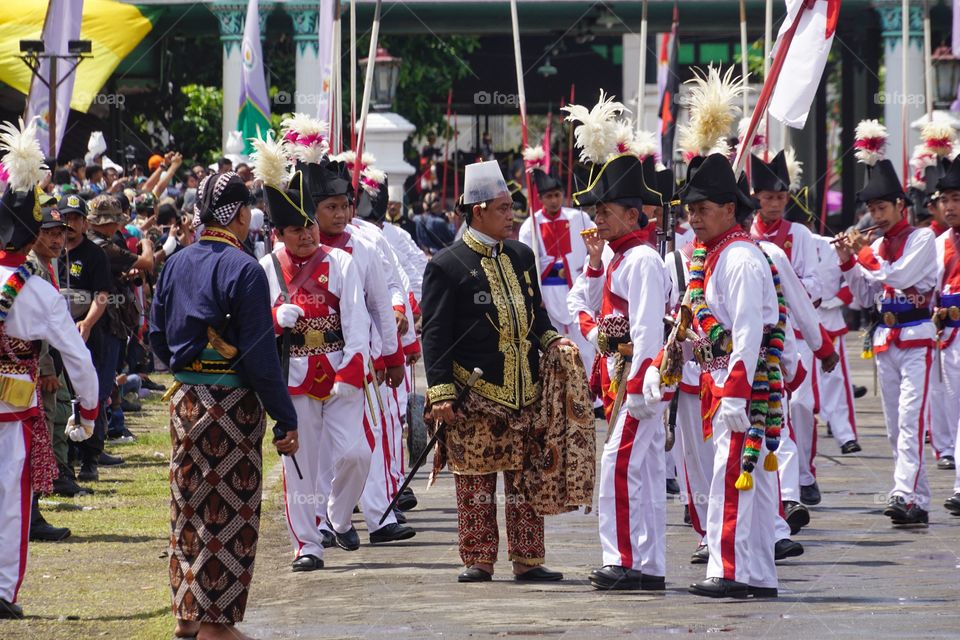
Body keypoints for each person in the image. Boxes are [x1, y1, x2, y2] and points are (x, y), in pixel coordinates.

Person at [149, 171, 299, 640]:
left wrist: (187, 362)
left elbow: (154, 333)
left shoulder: (175, 264)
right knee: (229, 512)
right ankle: (216, 626)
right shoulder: (245, 269)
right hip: (233, 407)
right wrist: (285, 416)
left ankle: (187, 615)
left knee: (188, 505)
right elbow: (258, 354)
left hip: (186, 403)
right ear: (238, 214)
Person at [421, 160, 572, 583]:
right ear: (478, 210)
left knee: (525, 481)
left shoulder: (522, 256)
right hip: (474, 392)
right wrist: (440, 392)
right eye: (504, 208)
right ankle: (479, 558)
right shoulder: (447, 265)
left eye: (512, 208)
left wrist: (553, 341)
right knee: (475, 479)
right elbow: (434, 334)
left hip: (524, 390)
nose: (512, 216)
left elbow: (536, 316)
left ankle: (528, 559)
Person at [0, 118, 100, 619]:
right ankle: (0, 589)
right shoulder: (37, 290)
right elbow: (77, 357)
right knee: (11, 502)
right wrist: (89, 408)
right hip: (12, 408)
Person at [672, 153, 784, 599]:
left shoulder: (738, 258)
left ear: (729, 210)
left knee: (732, 480)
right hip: (720, 381)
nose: (694, 218)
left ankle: (733, 570)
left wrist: (736, 394)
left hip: (743, 386)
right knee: (744, 482)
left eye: (702, 209)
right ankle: (756, 573)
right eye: (690, 210)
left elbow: (748, 333)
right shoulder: (717, 254)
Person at [566, 153, 671, 590]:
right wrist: (593, 264)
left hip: (637, 379)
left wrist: (638, 382)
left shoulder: (643, 260)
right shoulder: (618, 257)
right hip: (623, 375)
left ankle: (622, 560)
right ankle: (647, 565)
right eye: (596, 212)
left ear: (633, 214)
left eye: (605, 212)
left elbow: (648, 330)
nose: (597, 219)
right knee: (642, 471)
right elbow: (582, 308)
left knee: (618, 465)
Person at [834, 158, 937, 527]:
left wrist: (862, 253)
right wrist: (847, 261)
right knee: (895, 425)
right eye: (872, 209)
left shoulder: (922, 238)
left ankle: (901, 492)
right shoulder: (874, 246)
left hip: (916, 338)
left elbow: (900, 275)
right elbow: (864, 297)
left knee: (911, 420)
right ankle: (918, 499)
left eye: (882, 207)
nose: (876, 215)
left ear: (900, 206)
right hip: (884, 340)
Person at [749, 150, 824, 507]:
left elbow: (815, 284)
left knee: (803, 406)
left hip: (794, 333)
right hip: (763, 337)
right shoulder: (745, 235)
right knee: (773, 408)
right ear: (756, 198)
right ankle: (785, 490)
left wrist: (786, 292)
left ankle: (804, 475)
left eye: (781, 197)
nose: (775, 204)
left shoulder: (800, 234)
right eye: (768, 197)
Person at [519, 159, 597, 378]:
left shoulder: (579, 218)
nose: (554, 200)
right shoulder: (529, 226)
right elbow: (527, 264)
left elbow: (595, 246)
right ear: (541, 198)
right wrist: (535, 294)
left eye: (557, 195)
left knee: (584, 340)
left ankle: (591, 389)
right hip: (548, 291)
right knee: (552, 342)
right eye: (548, 196)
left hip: (577, 287)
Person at [60, 194, 114, 482]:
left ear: (84, 222)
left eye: (75, 219)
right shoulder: (51, 251)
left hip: (87, 335)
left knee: (89, 393)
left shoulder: (95, 254)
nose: (69, 225)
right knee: (63, 396)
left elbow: (102, 294)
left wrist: (88, 323)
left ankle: (90, 457)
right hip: (57, 336)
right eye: (65, 218)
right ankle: (64, 457)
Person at [932, 161, 960, 514]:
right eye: (946, 200)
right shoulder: (938, 244)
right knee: (953, 411)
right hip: (950, 337)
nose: (950, 206)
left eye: (956, 198)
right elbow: (927, 292)